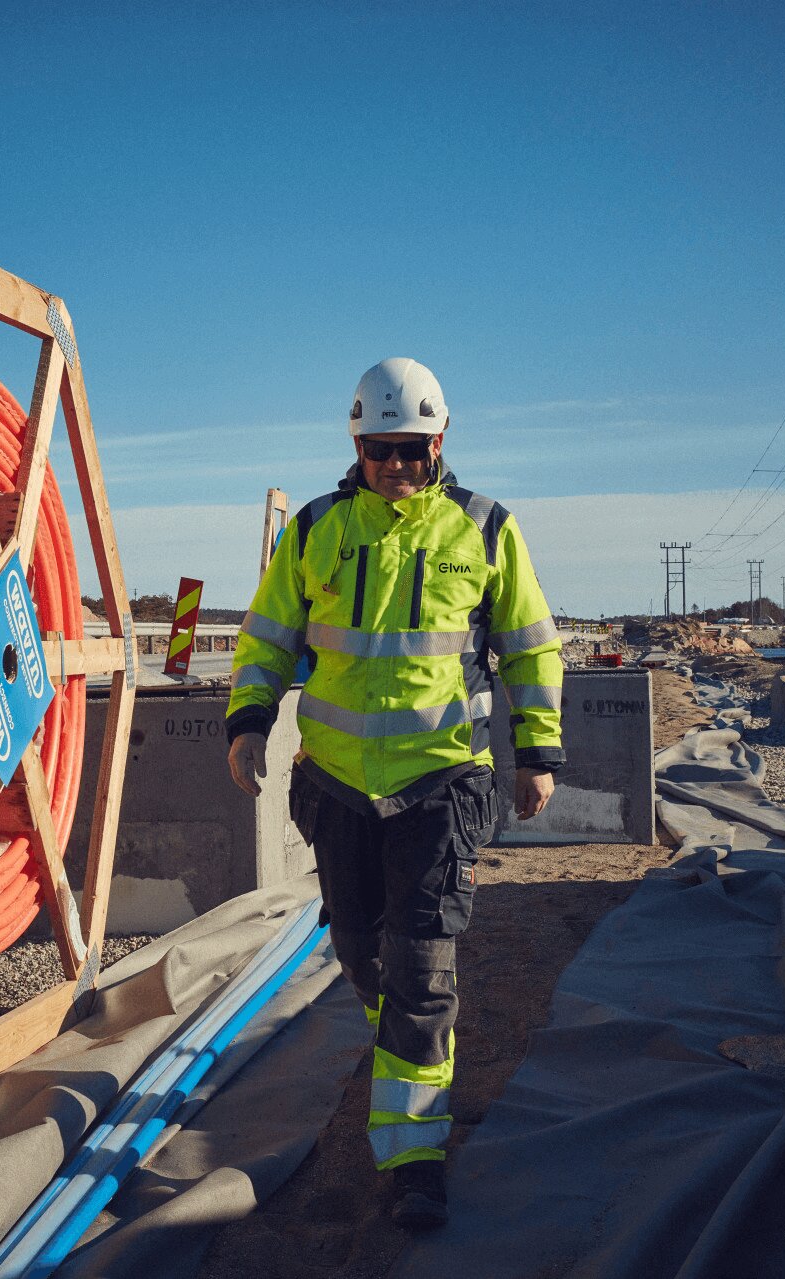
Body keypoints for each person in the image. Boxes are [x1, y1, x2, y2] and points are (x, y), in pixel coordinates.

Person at [224, 357, 564, 1228]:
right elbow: (267, 637)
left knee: (417, 969)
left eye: (412, 449)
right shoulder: (315, 529)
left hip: (439, 785)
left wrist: (536, 752)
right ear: (356, 444)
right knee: (358, 949)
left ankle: (412, 1158)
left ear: (439, 441)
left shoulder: (484, 529)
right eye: (380, 449)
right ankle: (416, 1038)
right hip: (335, 788)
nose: (397, 465)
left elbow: (529, 647)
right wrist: (247, 720)